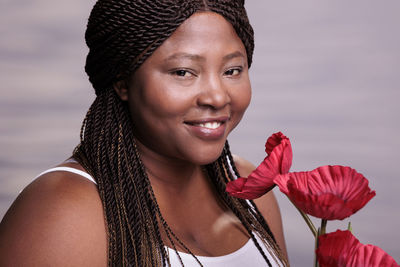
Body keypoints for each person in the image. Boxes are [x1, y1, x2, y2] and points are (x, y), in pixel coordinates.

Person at [0, 1, 288, 266]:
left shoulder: (249, 191)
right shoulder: (63, 213)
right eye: (183, 72)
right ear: (123, 82)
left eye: (232, 70)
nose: (216, 96)